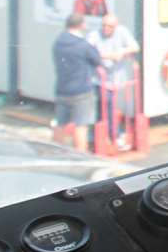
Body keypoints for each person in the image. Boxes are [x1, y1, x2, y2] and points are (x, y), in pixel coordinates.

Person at [51, 12, 105, 151]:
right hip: (81, 91)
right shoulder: (82, 45)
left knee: (60, 123)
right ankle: (81, 156)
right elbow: (97, 60)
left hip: (62, 89)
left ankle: (55, 152)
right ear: (82, 25)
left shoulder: (58, 42)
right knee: (81, 125)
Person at [89, 13, 140, 147]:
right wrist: (110, 56)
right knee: (105, 104)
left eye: (110, 26)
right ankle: (112, 135)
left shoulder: (122, 32)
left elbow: (135, 47)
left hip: (116, 78)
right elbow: (88, 51)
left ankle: (109, 134)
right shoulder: (95, 35)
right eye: (104, 25)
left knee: (109, 106)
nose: (106, 28)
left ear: (116, 27)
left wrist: (122, 51)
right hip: (99, 78)